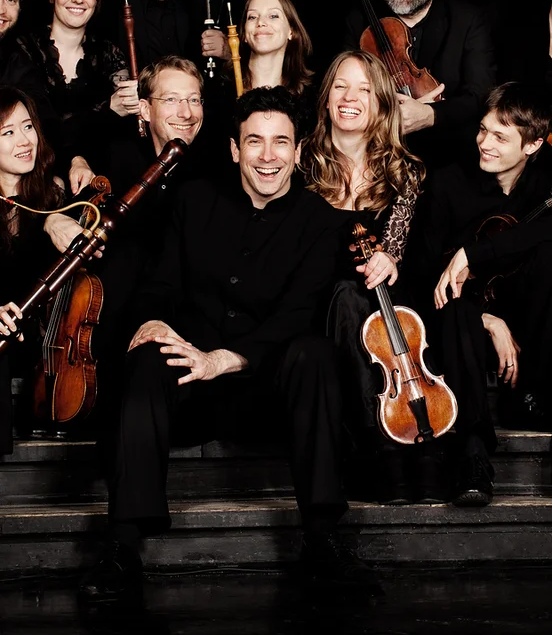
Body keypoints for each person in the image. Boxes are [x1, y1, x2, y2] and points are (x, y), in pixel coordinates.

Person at [78, 87, 372, 603]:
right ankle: (123, 544)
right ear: (234, 149)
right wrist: (153, 322)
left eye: (281, 143)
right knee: (146, 355)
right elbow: (161, 283)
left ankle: (323, 537)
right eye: (253, 142)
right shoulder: (193, 201)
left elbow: (297, 315)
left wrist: (225, 360)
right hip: (191, 388)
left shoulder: (324, 223)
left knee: (315, 354)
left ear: (299, 151)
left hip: (267, 396)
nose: (267, 156)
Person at [412, 83, 552, 505]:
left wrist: (474, 252)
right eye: (483, 130)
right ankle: (472, 453)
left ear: (534, 144)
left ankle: (532, 395)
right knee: (458, 309)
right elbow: (424, 272)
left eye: (501, 137)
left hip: (529, 327)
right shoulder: (447, 182)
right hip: (457, 326)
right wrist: (488, 319)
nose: (484, 142)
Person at [301, 51, 429, 502]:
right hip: (309, 304)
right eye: (340, 86)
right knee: (341, 293)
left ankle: (383, 444)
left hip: (374, 309)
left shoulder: (403, 173)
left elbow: (394, 246)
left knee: (353, 296)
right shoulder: (300, 164)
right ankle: (381, 451)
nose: (349, 98)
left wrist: (390, 260)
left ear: (379, 102)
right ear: (326, 97)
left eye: (363, 89)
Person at [343, 0, 496, 167]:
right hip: (375, 158)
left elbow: (482, 96)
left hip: (451, 162)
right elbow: (343, 95)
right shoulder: (359, 23)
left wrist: (431, 115)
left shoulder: (467, 21)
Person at [15, 0, 139, 189]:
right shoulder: (25, 50)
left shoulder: (107, 52)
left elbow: (128, 103)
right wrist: (108, 110)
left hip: (100, 175)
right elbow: (43, 124)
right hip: (39, 173)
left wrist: (134, 95)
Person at [0, 88, 63, 451]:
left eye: (28, 126)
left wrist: (56, 218)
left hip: (39, 345)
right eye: (8, 132)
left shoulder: (52, 200)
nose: (25, 140)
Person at [202, 0, 315, 134]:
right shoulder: (220, 91)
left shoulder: (308, 98)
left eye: (273, 16)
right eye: (252, 17)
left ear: (291, 31)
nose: (261, 22)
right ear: (243, 34)